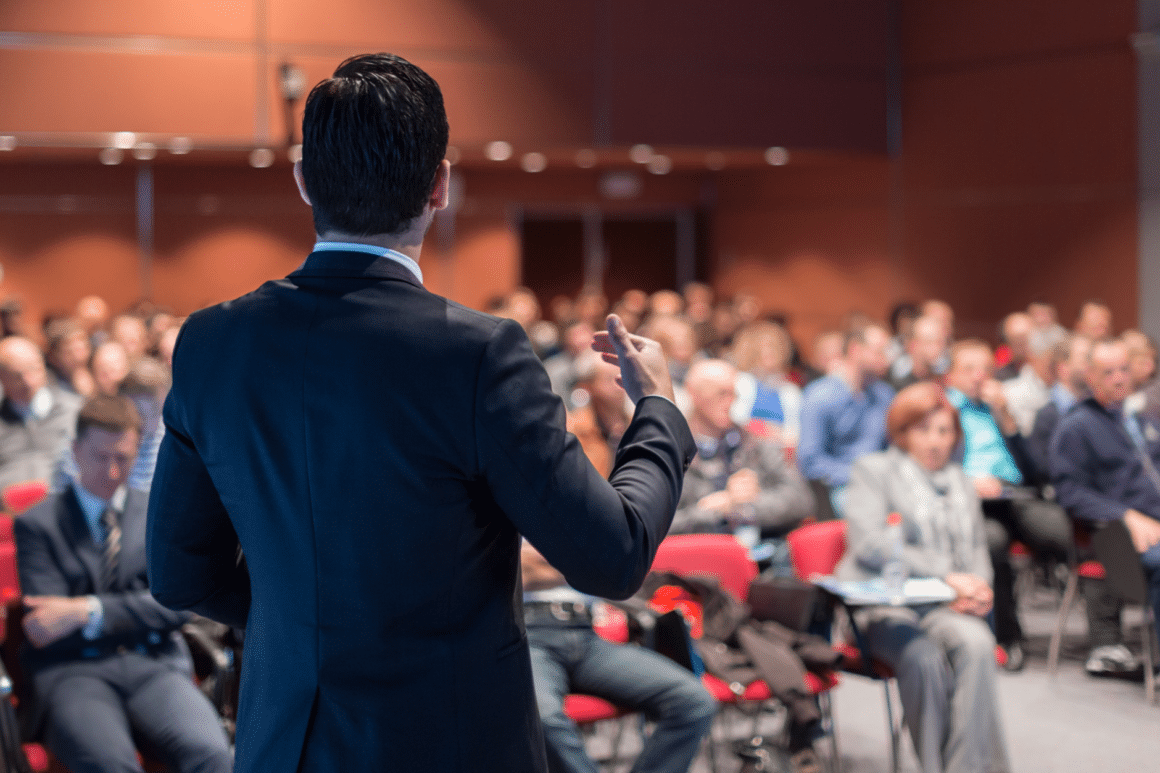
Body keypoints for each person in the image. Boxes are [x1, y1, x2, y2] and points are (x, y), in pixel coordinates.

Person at [146, 53, 695, 773]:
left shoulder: (212, 342)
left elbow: (180, 574)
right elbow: (613, 554)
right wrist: (658, 409)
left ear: (304, 179)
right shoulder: (477, 353)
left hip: (285, 743)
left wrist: (309, 624)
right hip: (449, 741)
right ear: (440, 184)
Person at [14, 395, 232, 773]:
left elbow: (177, 606)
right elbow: (44, 626)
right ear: (76, 451)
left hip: (154, 663)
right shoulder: (38, 523)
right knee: (111, 766)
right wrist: (142, 607)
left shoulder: (156, 511)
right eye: (102, 457)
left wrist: (86, 610)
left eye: (124, 458)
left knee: (213, 755)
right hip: (74, 672)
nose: (113, 472)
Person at [835, 383, 1010, 773]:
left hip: (943, 604)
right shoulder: (874, 470)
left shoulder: (961, 481)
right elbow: (870, 543)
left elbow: (979, 548)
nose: (935, 441)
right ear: (902, 432)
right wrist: (950, 576)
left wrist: (977, 588)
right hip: (882, 603)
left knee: (978, 643)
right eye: (924, 430)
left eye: (944, 431)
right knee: (924, 659)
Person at [521, 542, 716, 773]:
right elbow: (508, 571)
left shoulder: (571, 514)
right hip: (527, 636)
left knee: (694, 700)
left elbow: (613, 570)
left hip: (585, 633)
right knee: (539, 719)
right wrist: (568, 561)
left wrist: (541, 564)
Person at [942, 339, 1071, 669]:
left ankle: (1104, 631)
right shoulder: (945, 411)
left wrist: (1007, 419)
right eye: (968, 369)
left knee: (1060, 531)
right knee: (993, 543)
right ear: (950, 375)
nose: (978, 376)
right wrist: (968, 482)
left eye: (984, 369)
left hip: (1013, 494)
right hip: (970, 501)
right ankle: (1007, 636)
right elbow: (935, 466)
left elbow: (1032, 469)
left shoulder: (996, 408)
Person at [1051, 337, 1160, 673]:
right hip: (1113, 538)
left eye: (1124, 369)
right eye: (1108, 371)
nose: (1118, 378)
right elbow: (1070, 493)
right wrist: (1126, 516)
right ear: (1091, 375)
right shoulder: (1075, 426)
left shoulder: (1140, 418)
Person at [674, 360, 814, 558]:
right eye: (721, 393)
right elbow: (654, 525)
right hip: (696, 562)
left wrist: (743, 508)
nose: (730, 401)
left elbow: (801, 500)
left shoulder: (755, 443)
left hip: (763, 556)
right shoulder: (670, 450)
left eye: (734, 394)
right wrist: (711, 510)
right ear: (692, 393)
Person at [796, 323, 894, 516]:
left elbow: (895, 447)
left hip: (883, 481)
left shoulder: (885, 395)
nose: (887, 359)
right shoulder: (820, 395)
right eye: (880, 352)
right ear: (855, 349)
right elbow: (810, 460)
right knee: (869, 510)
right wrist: (859, 475)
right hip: (842, 485)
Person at [0, 336, 81, 490]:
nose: (28, 381)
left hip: (61, 506)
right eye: (17, 375)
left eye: (33, 369)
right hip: (8, 507)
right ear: (2, 378)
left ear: (43, 366)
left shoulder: (74, 411)